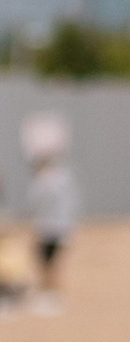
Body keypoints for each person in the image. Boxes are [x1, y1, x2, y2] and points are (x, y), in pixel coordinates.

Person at [21, 120, 79, 310]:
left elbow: (39, 203)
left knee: (49, 262)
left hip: (52, 226)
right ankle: (49, 292)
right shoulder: (59, 178)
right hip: (51, 226)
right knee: (48, 261)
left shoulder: (51, 180)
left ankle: (50, 292)